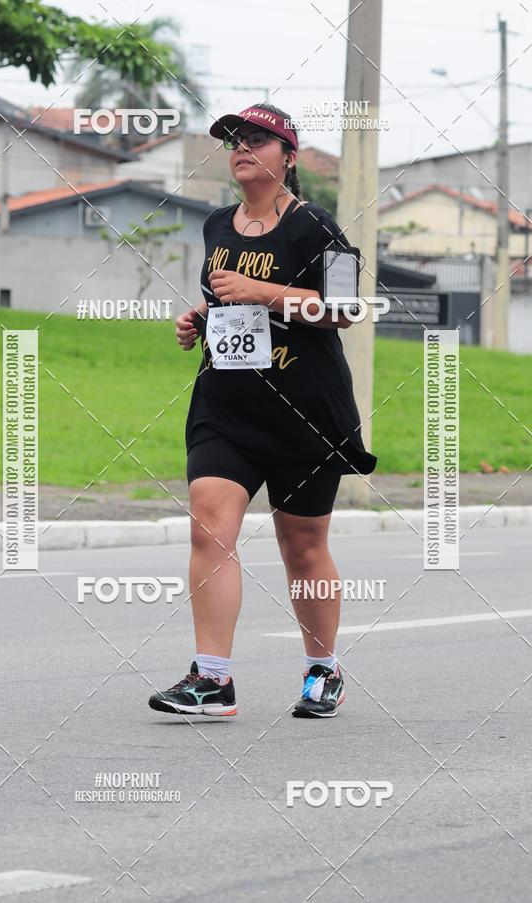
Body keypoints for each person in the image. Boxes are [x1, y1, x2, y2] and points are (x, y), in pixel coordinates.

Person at [148, 103, 377, 720]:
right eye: (234, 140)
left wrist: (263, 292)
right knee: (208, 524)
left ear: (289, 158)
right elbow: (226, 302)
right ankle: (213, 680)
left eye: (257, 139)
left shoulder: (316, 225)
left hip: (304, 409)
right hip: (227, 404)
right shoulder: (217, 224)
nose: (241, 148)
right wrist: (199, 319)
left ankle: (323, 669)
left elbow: (347, 307)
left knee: (302, 545)